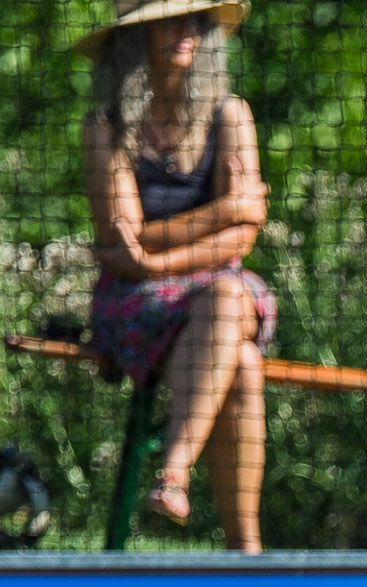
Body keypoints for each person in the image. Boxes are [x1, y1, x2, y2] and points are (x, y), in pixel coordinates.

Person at [80, 0, 273, 553]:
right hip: (133, 303)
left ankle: (174, 474)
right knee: (242, 358)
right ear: (133, 41)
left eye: (196, 19)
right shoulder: (105, 127)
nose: (187, 29)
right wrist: (230, 206)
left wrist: (156, 257)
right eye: (168, 18)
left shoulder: (230, 114)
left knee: (228, 298)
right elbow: (120, 239)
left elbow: (243, 240)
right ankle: (247, 551)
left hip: (210, 293)